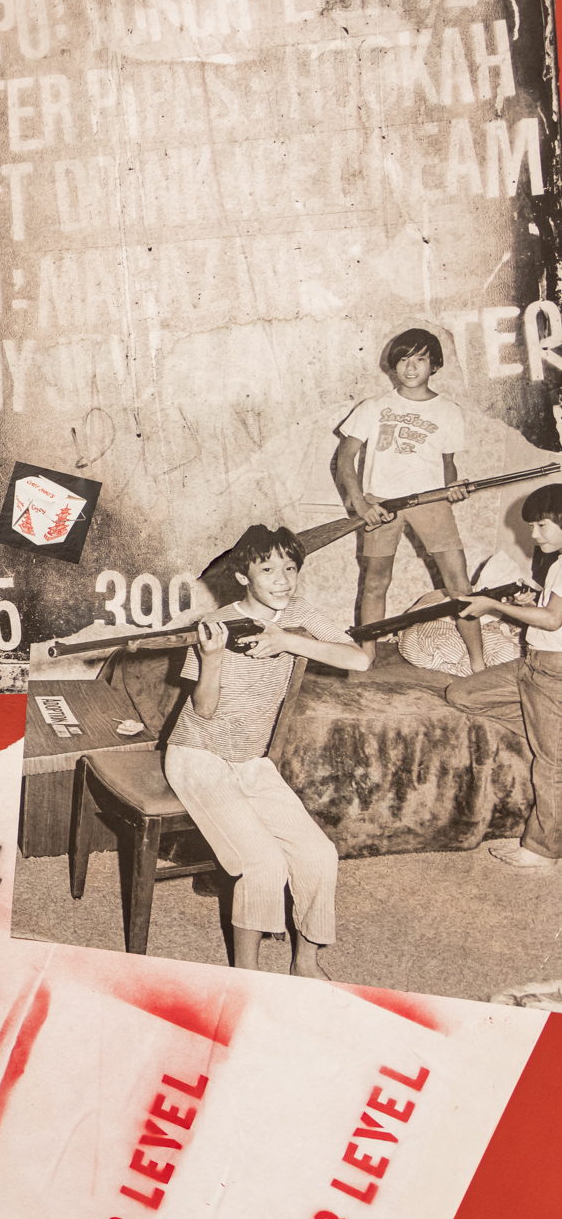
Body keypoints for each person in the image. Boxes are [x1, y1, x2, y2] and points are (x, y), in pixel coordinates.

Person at [173, 525, 373, 975]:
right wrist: (213, 660)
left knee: (320, 853)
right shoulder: (215, 623)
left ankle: (305, 963)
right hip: (197, 755)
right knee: (262, 862)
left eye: (290, 567)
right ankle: (247, 976)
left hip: (250, 761)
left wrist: (287, 640)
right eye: (268, 569)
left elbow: (359, 658)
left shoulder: (299, 611)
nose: (283, 579)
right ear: (244, 575)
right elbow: (202, 711)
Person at [335, 328, 481, 669]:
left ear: (435, 364)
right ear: (392, 365)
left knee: (459, 582)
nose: (411, 367)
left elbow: (447, 464)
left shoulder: (449, 411)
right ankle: (366, 657)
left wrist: (453, 489)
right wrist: (361, 504)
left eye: (420, 359)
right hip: (381, 505)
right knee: (375, 581)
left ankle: (478, 663)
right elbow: (345, 458)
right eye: (403, 359)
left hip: (431, 501)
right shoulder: (373, 407)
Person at [444, 484, 562, 871]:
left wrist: (495, 605)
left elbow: (553, 620)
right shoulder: (557, 565)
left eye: (542, 525)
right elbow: (551, 610)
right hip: (533, 664)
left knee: (551, 763)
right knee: (463, 693)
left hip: (551, 668)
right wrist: (534, 600)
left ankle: (542, 850)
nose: (534, 534)